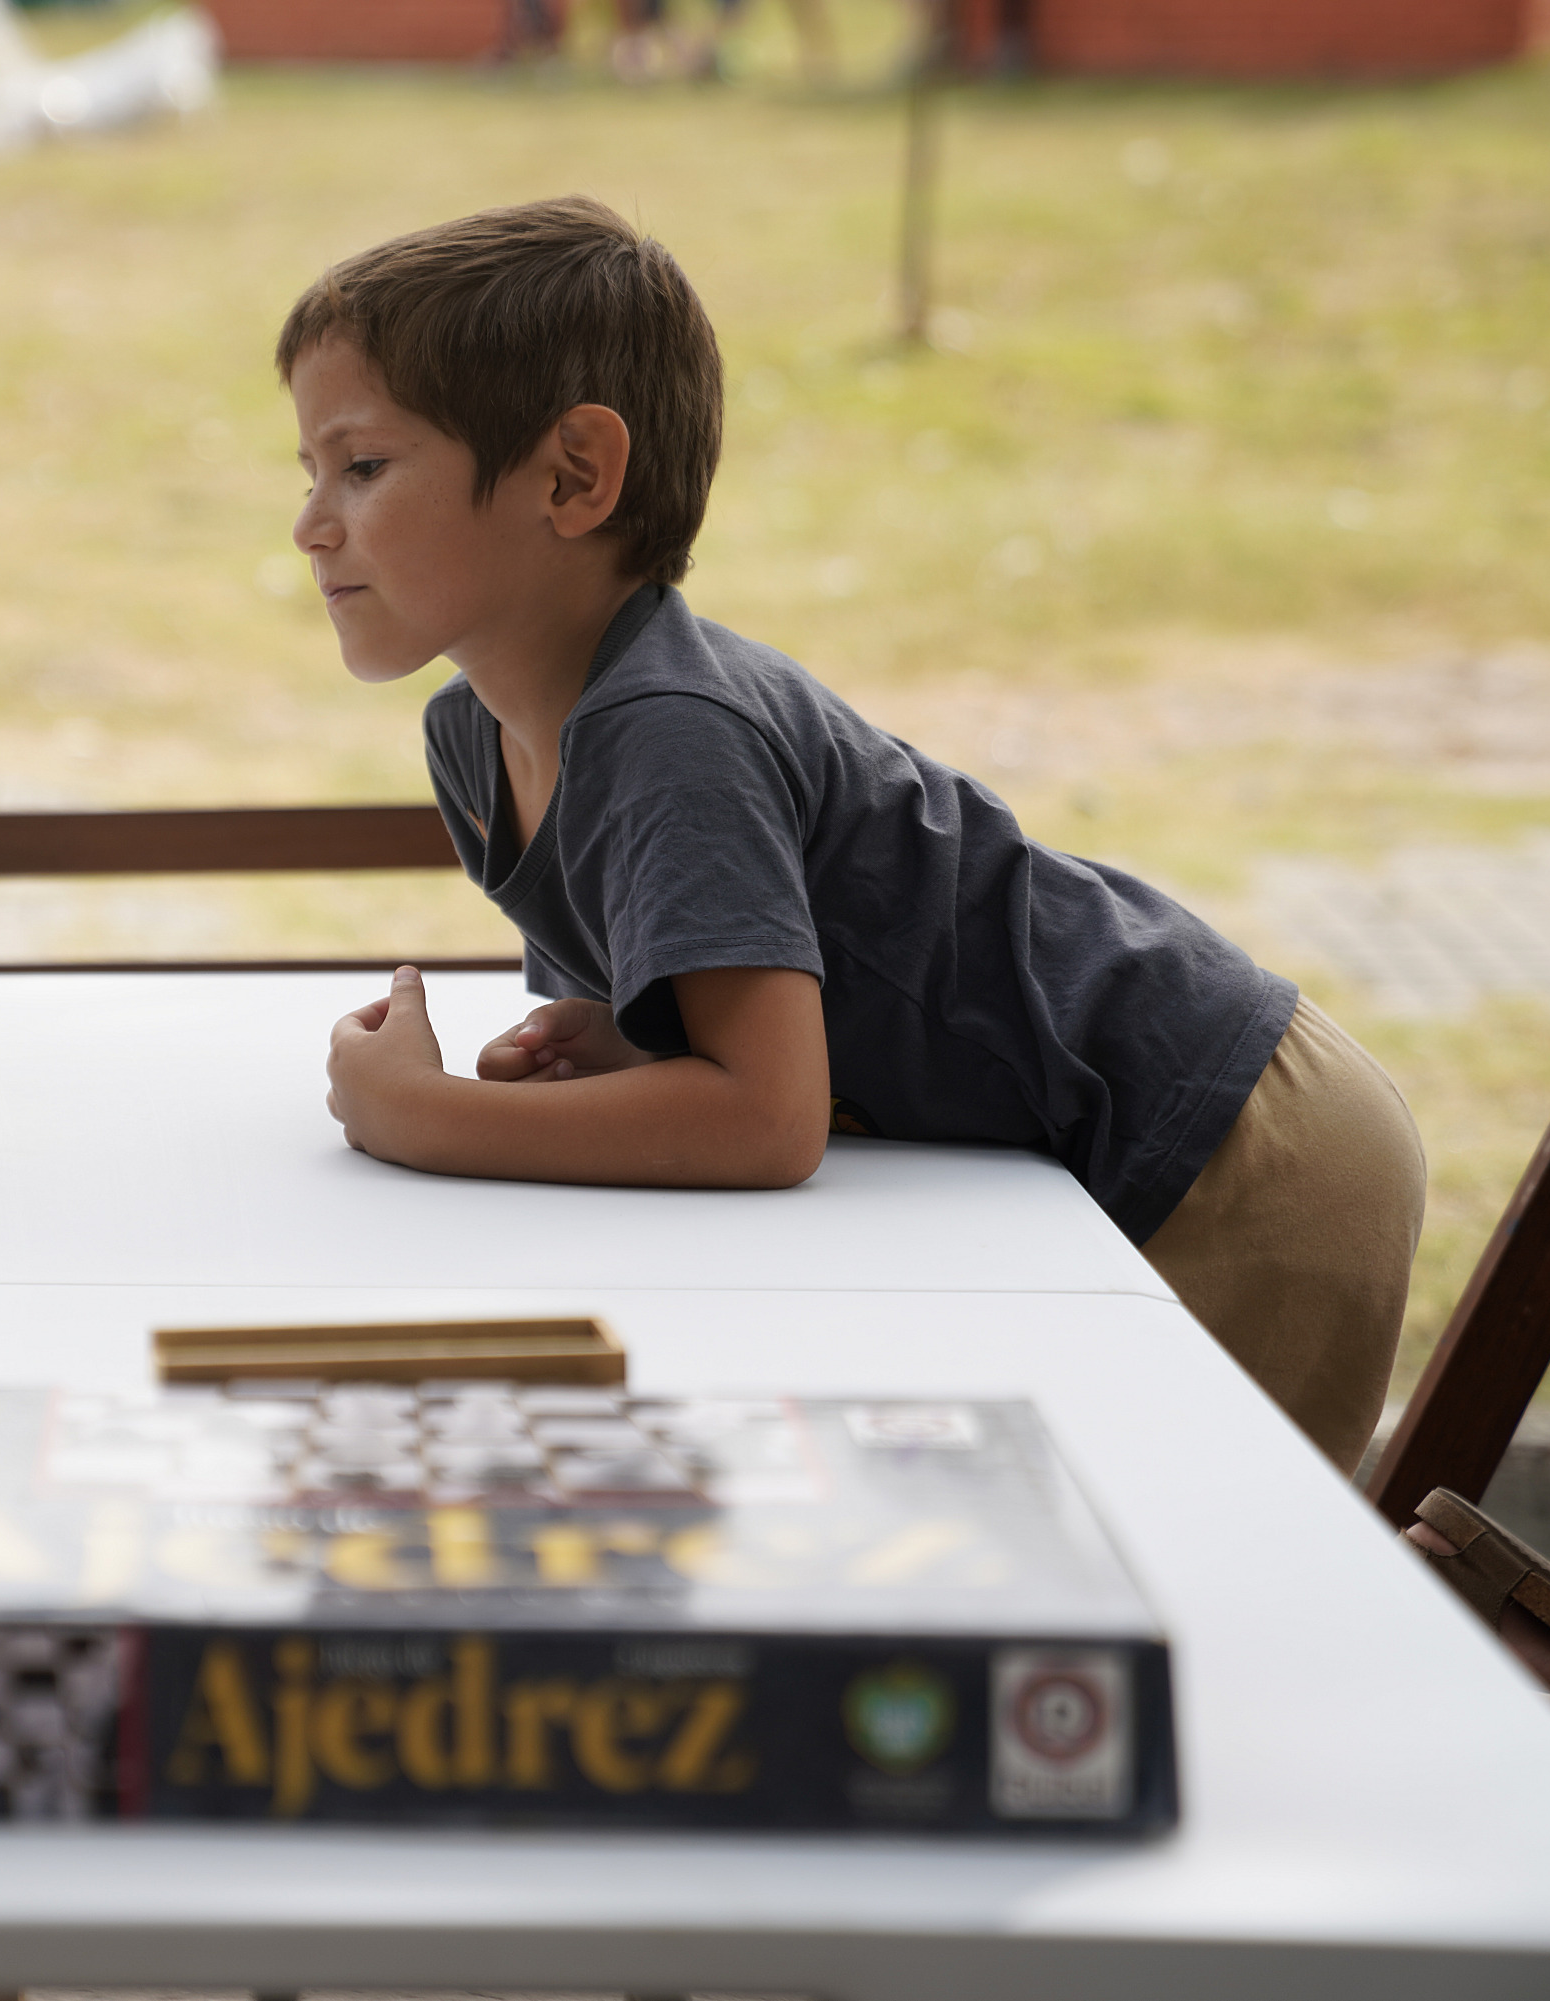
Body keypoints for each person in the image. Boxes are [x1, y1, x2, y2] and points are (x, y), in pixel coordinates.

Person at [285, 196, 1423, 1475]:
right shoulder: (474, 740)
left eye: (364, 467)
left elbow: (767, 1124)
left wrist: (427, 1119)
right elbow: (742, 1050)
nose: (311, 523)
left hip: (1234, 1151)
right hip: (1126, 1140)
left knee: (1181, 1592)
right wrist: (626, 1028)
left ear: (572, 478)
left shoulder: (669, 733)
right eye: (309, 474)